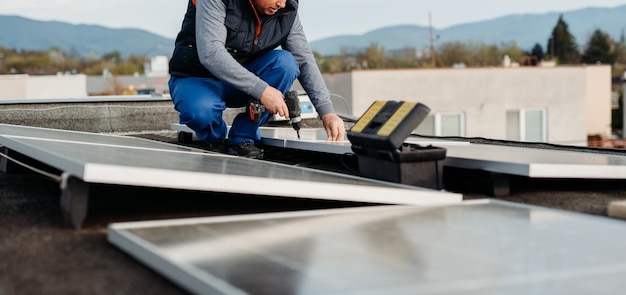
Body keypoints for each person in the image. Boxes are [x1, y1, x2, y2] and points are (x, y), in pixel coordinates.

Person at [168, 0, 345, 159]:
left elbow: (303, 60)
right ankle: (215, 140)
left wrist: (326, 112)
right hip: (197, 78)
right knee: (200, 111)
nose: (282, 4)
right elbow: (212, 54)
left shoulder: (287, 9)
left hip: (242, 83)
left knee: (286, 63)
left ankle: (243, 137)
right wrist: (263, 90)